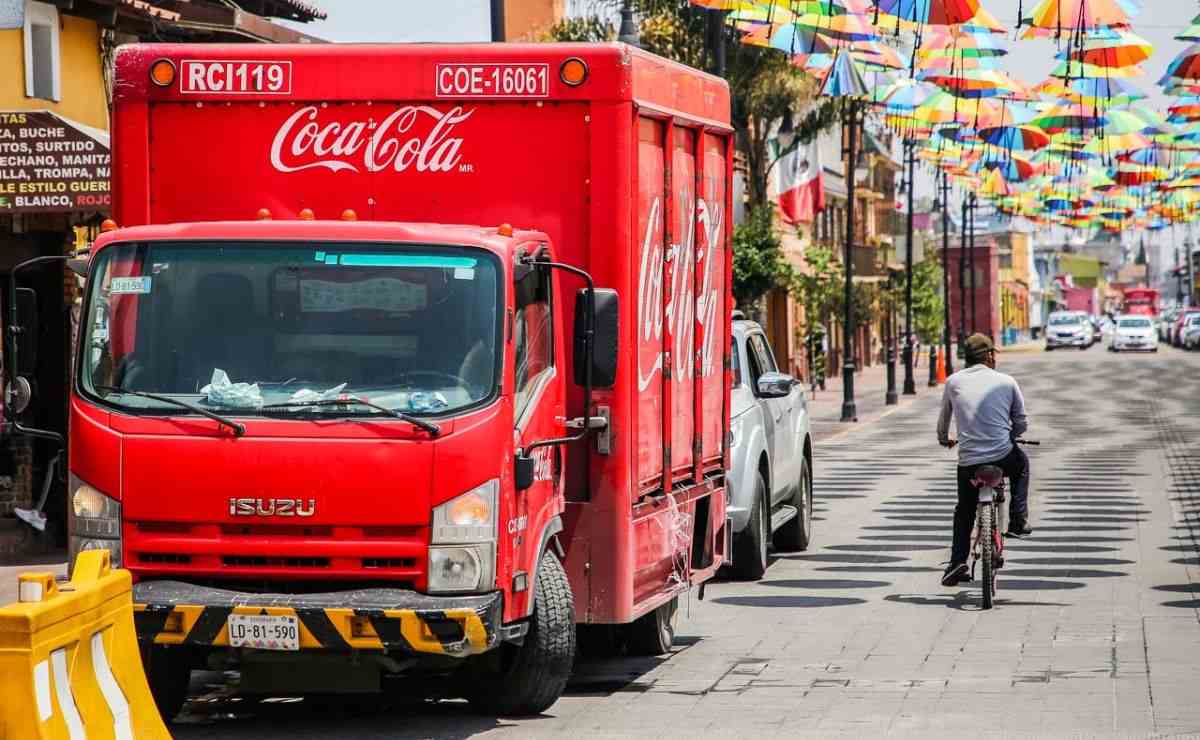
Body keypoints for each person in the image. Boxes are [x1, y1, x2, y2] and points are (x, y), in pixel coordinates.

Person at [936, 333, 1032, 587]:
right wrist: (1010, 436)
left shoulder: (953, 382)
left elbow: (943, 424)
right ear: (989, 356)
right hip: (1003, 456)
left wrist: (945, 439)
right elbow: (1021, 421)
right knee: (1022, 465)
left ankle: (957, 561)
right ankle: (1018, 519)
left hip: (968, 463)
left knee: (964, 510)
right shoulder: (1007, 382)